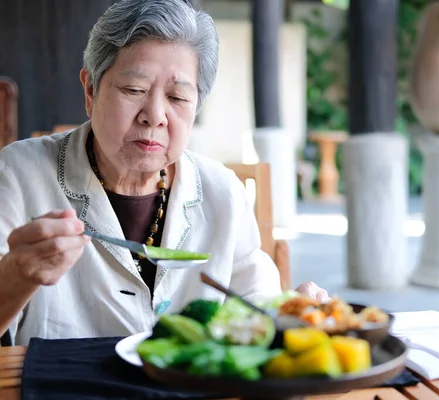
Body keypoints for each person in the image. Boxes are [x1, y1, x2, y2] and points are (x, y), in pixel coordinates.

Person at [0, 0, 328, 346]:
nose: (154, 115)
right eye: (133, 90)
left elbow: (258, 308)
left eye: (177, 97)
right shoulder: (18, 174)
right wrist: (17, 274)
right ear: (91, 90)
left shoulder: (223, 193)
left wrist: (295, 314)